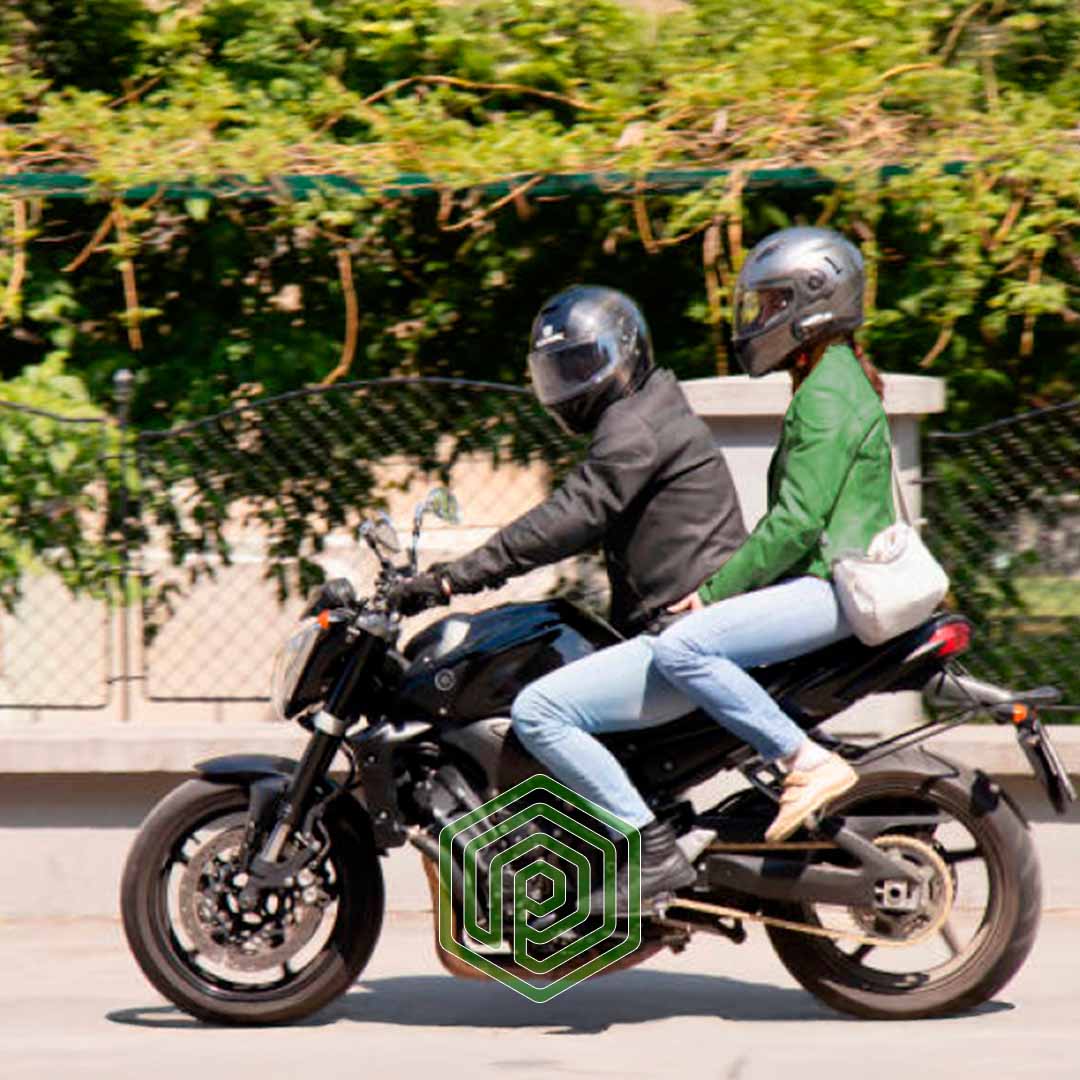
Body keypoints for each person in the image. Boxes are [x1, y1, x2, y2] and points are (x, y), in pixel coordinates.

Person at [506, 226, 893, 903]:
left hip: (833, 583)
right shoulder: (828, 381)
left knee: (678, 646)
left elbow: (797, 522)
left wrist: (715, 593)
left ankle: (799, 762)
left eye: (773, 304)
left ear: (815, 302)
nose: (760, 318)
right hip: (827, 580)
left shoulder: (827, 392)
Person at [389, 284, 748, 896]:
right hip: (675, 629)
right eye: (560, 369)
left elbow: (572, 515)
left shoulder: (636, 426)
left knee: (539, 709)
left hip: (683, 639)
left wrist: (456, 576)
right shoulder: (646, 413)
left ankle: (649, 848)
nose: (570, 383)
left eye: (582, 364)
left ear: (624, 353)